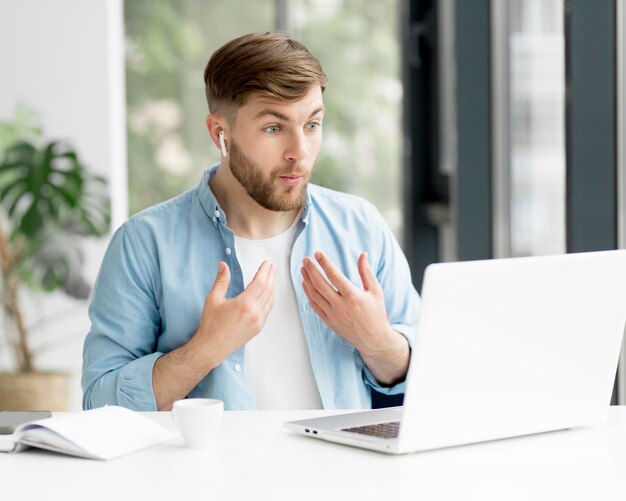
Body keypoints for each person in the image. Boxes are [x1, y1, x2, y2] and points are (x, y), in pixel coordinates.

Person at [82, 32, 420, 411]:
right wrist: (206, 349)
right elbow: (100, 406)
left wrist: (378, 342)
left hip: (341, 470)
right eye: (274, 128)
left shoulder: (361, 227)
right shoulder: (143, 244)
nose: (300, 152)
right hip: (205, 472)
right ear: (219, 133)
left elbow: (435, 381)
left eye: (312, 125)